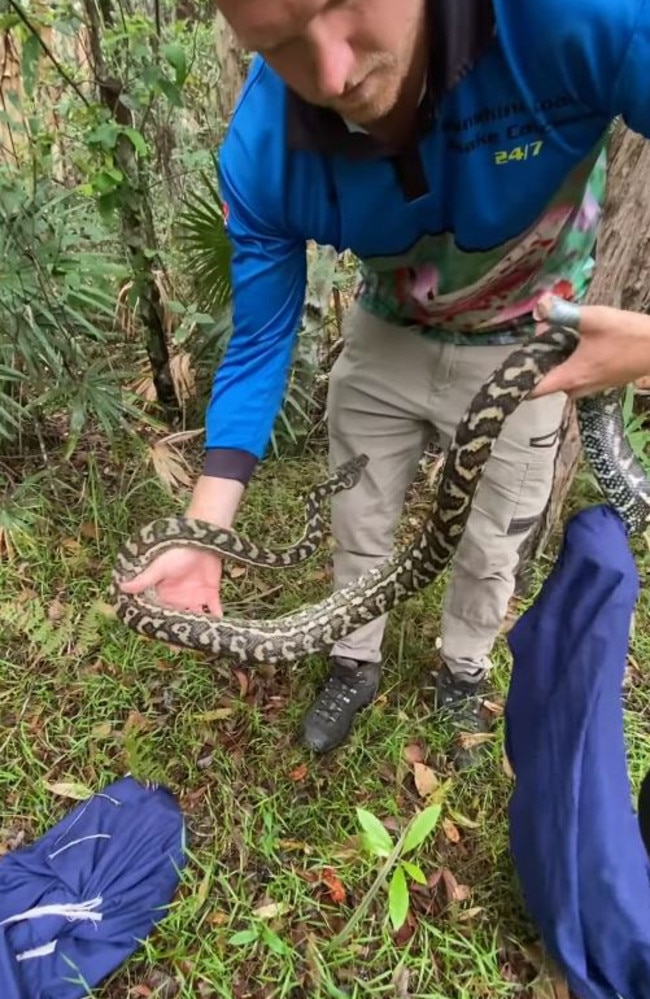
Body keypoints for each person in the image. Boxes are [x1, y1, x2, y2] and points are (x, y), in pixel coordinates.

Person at [120, 0, 650, 763]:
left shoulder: (582, 18)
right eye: (280, 45)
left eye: (341, 4)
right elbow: (264, 334)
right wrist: (204, 532)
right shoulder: (263, 151)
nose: (331, 74)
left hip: (532, 348)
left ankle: (464, 669)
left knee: (492, 542)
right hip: (385, 335)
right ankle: (351, 659)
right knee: (358, 518)